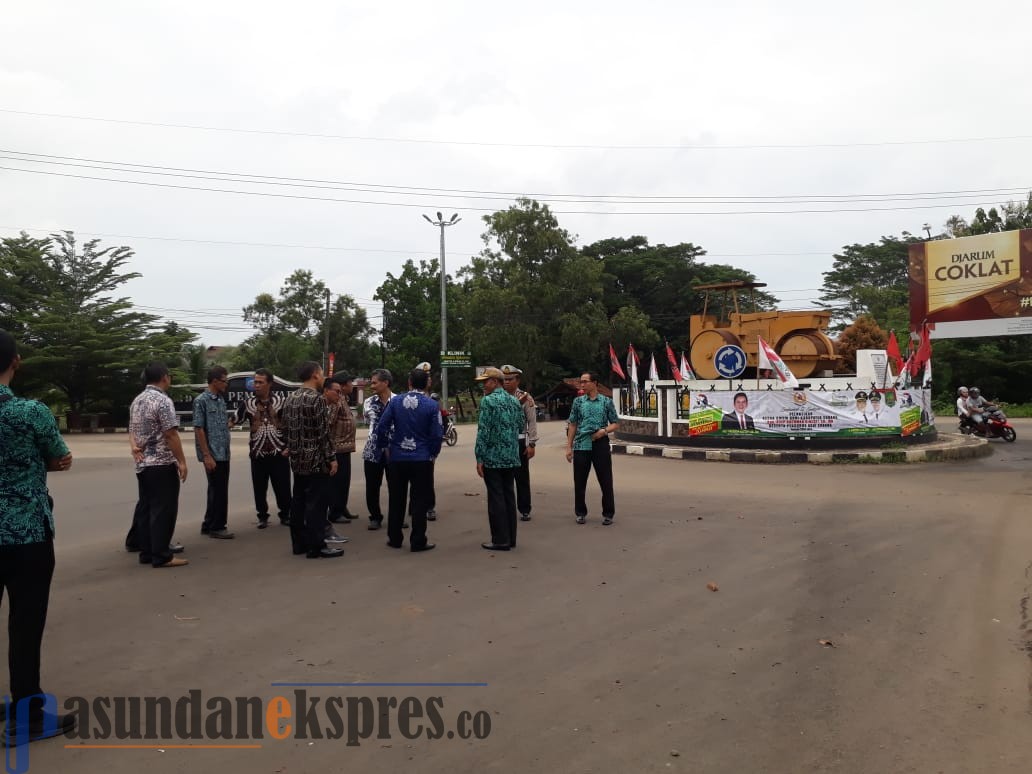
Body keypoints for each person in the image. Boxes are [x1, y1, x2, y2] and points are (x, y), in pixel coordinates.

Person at [0, 329, 76, 741]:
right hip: (26, 532)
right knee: (25, 626)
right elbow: (59, 456)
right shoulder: (31, 412)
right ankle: (26, 716)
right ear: (16, 362)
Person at [371, 368, 441, 553]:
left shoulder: (396, 402)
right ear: (427, 383)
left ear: (409, 382)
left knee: (396, 499)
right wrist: (433, 454)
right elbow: (436, 434)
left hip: (397, 457)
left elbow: (382, 426)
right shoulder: (432, 405)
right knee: (419, 501)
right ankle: (418, 541)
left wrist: (385, 448)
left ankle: (394, 538)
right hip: (421, 458)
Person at [128, 362, 190, 569]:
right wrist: (181, 461)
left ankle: (147, 551)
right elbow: (171, 433)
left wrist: (134, 448)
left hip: (143, 464)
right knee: (164, 509)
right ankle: (162, 555)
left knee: (147, 507)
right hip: (162, 463)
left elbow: (131, 430)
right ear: (165, 377)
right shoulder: (163, 401)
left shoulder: (137, 400)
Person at [281, 361, 341, 559]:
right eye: (322, 373)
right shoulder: (316, 399)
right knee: (316, 504)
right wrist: (331, 458)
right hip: (315, 460)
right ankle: (317, 545)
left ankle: (299, 543)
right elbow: (322, 432)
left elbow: (285, 429)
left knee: (298, 502)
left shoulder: (290, 398)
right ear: (315, 375)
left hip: (298, 460)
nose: (323, 377)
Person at [475, 367, 524, 551]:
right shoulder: (514, 401)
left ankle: (500, 539)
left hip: (493, 457)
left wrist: (479, 457)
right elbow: (520, 425)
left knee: (496, 498)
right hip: (511, 456)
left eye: (485, 381)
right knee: (509, 496)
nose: (483, 385)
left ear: (495, 382)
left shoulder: (488, 401)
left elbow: (484, 431)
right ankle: (511, 537)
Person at [565, 372, 620, 526]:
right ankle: (580, 512)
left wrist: (604, 431)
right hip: (582, 444)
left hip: (600, 444)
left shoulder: (606, 402)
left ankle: (608, 513)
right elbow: (573, 424)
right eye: (580, 382)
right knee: (580, 481)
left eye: (585, 382)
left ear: (594, 383)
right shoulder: (578, 402)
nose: (582, 385)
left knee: (605, 480)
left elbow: (615, 423)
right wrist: (569, 446)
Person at [240, 368, 291, 529]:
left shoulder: (282, 402)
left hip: (279, 453)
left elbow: (291, 425)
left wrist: (289, 446)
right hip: (258, 453)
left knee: (282, 486)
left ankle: (286, 514)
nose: (256, 385)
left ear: (270, 384)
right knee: (259, 488)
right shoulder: (248, 403)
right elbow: (234, 420)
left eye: (260, 382)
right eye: (255, 382)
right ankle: (262, 516)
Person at [194, 366, 235, 539]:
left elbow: (219, 424)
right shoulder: (201, 400)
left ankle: (208, 523)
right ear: (215, 381)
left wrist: (229, 425)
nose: (226, 384)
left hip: (224, 452)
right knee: (219, 490)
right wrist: (206, 455)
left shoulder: (220, 400)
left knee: (216, 489)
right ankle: (218, 526)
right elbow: (199, 428)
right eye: (224, 381)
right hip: (213, 454)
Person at [500, 364, 538, 522]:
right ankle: (503, 508)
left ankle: (524, 509)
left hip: (519, 441)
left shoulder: (525, 398)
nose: (507, 382)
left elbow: (532, 422)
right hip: (501, 443)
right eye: (504, 379)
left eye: (510, 379)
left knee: (521, 478)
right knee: (502, 478)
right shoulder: (496, 397)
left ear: (518, 380)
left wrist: (532, 444)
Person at [361, 368, 395, 531]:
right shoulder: (368, 402)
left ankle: (397, 516)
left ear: (385, 383)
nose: (372, 385)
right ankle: (375, 517)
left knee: (396, 485)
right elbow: (369, 422)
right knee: (372, 486)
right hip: (372, 450)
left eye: (375, 382)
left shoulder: (398, 401)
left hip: (394, 451)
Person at [325, 373, 357, 525]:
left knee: (344, 482)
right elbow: (328, 423)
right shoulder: (336, 401)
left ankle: (342, 508)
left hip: (345, 448)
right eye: (351, 381)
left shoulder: (344, 399)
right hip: (337, 448)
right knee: (338, 483)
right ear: (343, 385)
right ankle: (335, 512)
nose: (353, 384)